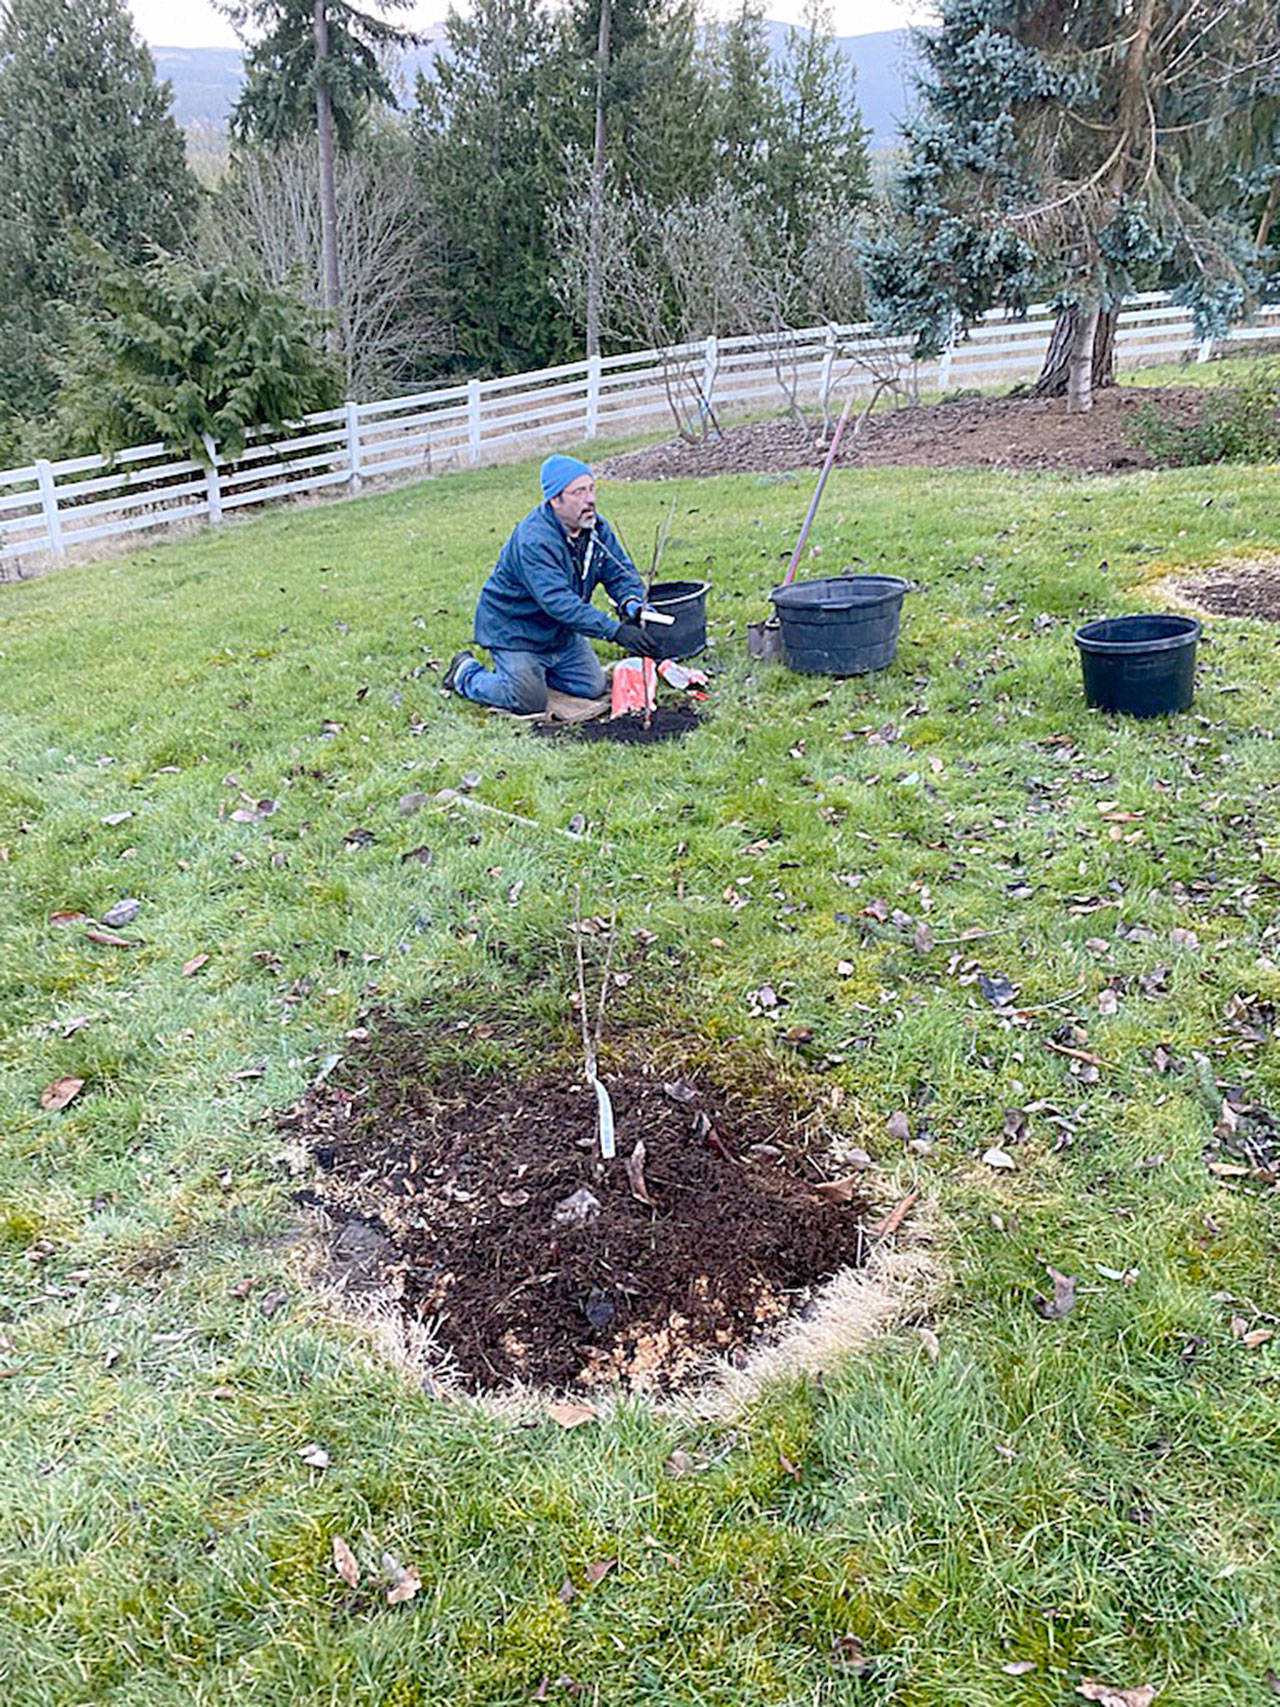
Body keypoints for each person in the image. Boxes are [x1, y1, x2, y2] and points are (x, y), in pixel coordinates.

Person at [443, 454, 663, 713]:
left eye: (591, 489)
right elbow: (559, 602)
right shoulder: (534, 541)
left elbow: (619, 572)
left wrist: (633, 603)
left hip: (560, 633)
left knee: (592, 687)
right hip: (517, 633)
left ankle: (535, 672)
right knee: (528, 701)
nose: (590, 499)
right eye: (578, 492)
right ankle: (466, 674)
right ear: (555, 500)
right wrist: (614, 632)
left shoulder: (596, 529)